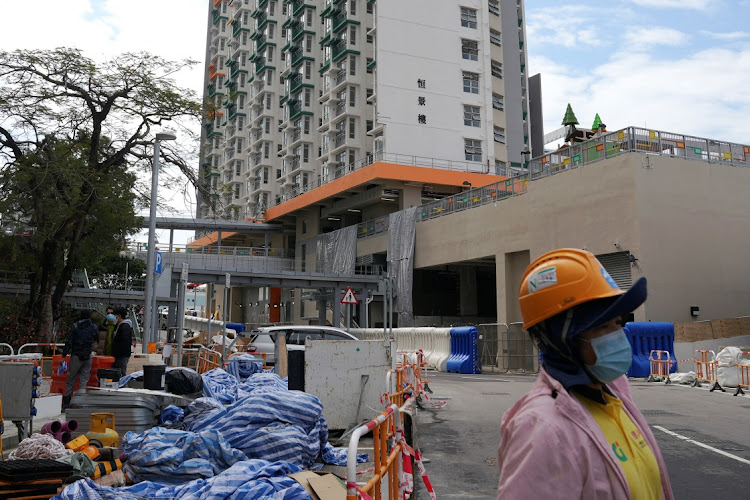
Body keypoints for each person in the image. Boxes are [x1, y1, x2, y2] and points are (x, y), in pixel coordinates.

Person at [497, 249, 673, 499]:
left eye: (618, 323)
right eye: (603, 326)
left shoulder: (612, 396)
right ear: (561, 340)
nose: (618, 336)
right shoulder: (542, 430)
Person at [61, 309, 98, 409]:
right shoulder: (94, 327)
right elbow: (96, 339)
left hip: (76, 355)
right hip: (88, 355)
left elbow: (69, 342)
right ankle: (80, 403)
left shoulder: (76, 326)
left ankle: (66, 403)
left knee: (70, 380)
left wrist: (64, 356)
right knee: (84, 380)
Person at [111, 307, 133, 377]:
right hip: (119, 354)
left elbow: (124, 341)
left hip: (122, 354)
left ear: (119, 316)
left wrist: (117, 351)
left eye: (114, 315)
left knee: (121, 373)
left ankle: (123, 386)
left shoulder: (125, 326)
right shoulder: (119, 325)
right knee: (118, 372)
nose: (113, 317)